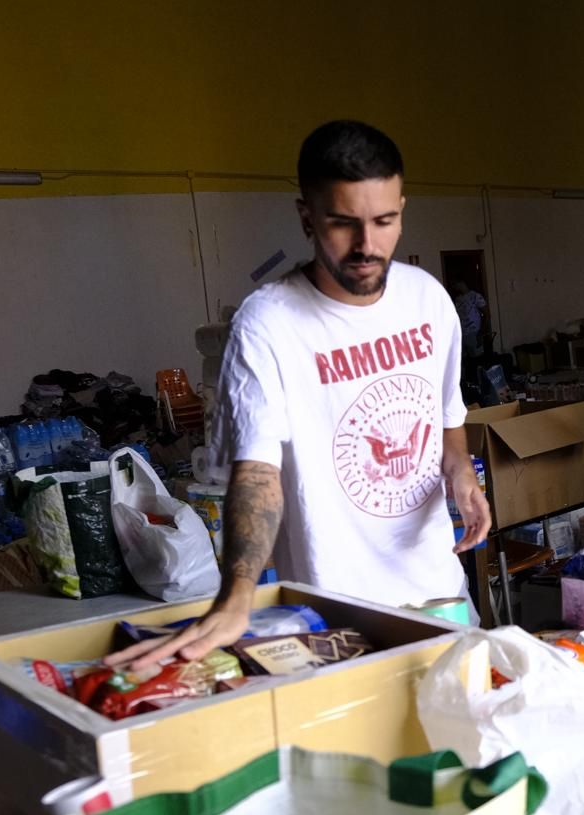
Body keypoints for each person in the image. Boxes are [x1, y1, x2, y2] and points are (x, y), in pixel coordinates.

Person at [110, 120, 490, 671]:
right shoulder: (268, 324)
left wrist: (462, 477)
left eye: (385, 221)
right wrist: (238, 592)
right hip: (334, 618)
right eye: (343, 223)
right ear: (306, 215)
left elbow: (447, 421)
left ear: (402, 208)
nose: (367, 245)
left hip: (441, 598)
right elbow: (258, 472)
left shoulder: (428, 300)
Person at [450, 280, 490, 359]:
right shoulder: (457, 299)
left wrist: (481, 332)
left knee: (478, 361)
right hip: (461, 336)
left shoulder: (475, 296)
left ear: (462, 283)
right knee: (463, 362)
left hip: (474, 334)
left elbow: (487, 314)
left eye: (455, 284)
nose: (454, 287)